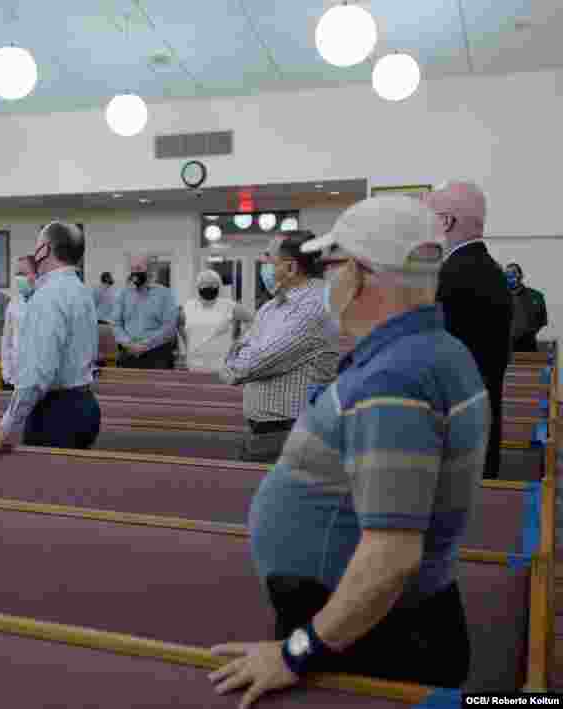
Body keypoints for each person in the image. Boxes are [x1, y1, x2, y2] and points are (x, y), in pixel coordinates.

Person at [209, 196, 489, 704]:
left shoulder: (396, 376)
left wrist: (297, 652)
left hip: (375, 635)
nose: (326, 280)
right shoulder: (430, 351)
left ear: (361, 275)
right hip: (378, 620)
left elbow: (391, 554)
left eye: (331, 264)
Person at [219, 232, 339, 462]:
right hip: (264, 431)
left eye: (269, 260)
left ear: (291, 267)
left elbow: (249, 364)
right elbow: (237, 350)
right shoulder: (271, 306)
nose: (264, 265)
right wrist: (242, 354)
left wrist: (242, 356)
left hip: (293, 432)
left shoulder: (315, 305)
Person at [0, 222, 100, 450]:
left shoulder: (48, 296)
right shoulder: (81, 290)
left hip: (56, 412)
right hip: (84, 404)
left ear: (44, 249)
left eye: (37, 246)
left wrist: (6, 425)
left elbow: (38, 374)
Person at [423, 181, 512, 478]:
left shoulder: (451, 277)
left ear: (446, 222)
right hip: (479, 421)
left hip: (452, 433)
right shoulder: (490, 270)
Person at [112, 254, 180, 369]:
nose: (134, 272)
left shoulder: (165, 294)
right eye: (132, 269)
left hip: (157, 354)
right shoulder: (123, 294)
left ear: (150, 271)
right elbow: (116, 324)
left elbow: (169, 327)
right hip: (129, 353)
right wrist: (128, 343)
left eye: (138, 268)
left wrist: (146, 344)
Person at [178, 270, 238, 373]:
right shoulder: (189, 307)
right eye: (204, 284)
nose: (208, 287)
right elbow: (179, 324)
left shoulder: (229, 305)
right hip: (195, 363)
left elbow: (248, 322)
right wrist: (187, 342)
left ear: (218, 286)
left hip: (221, 363)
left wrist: (236, 345)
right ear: (198, 287)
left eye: (212, 284)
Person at [1, 255, 37, 387]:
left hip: (38, 376)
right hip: (16, 375)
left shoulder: (47, 302)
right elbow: (6, 339)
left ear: (36, 274)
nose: (18, 278)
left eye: (23, 273)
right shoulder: (14, 303)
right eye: (17, 274)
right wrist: (6, 370)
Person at [504, 263, 548, 353]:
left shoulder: (535, 296)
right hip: (505, 347)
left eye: (514, 273)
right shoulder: (499, 297)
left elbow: (542, 320)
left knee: (528, 366)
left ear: (521, 275)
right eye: (507, 274)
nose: (511, 276)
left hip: (528, 346)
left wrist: (527, 334)